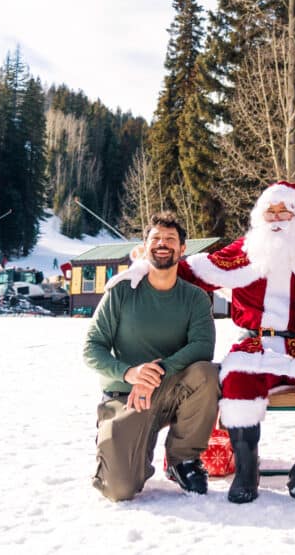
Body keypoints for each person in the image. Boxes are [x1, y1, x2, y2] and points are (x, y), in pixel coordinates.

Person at [111, 182, 295, 504]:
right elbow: (189, 270)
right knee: (237, 382)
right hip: (258, 346)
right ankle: (246, 472)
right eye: (271, 210)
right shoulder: (244, 251)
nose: (277, 218)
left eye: (285, 210)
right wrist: (146, 265)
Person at [83, 211, 219, 502]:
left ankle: (183, 460)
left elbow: (202, 347)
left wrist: (156, 373)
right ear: (144, 247)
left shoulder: (194, 298)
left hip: (171, 391)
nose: (162, 243)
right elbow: (92, 348)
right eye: (155, 238)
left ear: (183, 249)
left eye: (170, 239)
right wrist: (130, 374)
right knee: (118, 489)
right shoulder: (122, 292)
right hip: (126, 397)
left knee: (207, 373)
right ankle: (121, 445)